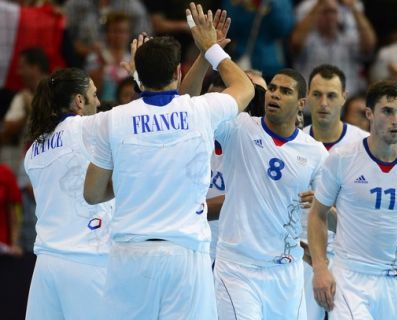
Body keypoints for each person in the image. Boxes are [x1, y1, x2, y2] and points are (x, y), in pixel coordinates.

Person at [83, 3, 254, 319]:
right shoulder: (201, 112)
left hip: (129, 255)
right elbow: (244, 87)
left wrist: (135, 179)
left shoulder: (112, 120)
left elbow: (93, 194)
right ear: (178, 72)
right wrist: (211, 49)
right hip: (185, 256)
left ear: (137, 74)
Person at [308, 80, 397, 319]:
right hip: (350, 277)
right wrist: (320, 267)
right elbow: (317, 215)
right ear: (369, 113)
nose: (396, 120)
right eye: (387, 111)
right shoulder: (342, 158)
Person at [206, 67, 327, 319]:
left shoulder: (315, 152)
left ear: (301, 103)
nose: (275, 95)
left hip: (286, 272)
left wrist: (322, 204)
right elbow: (190, 111)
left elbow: (339, 216)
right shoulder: (238, 128)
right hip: (238, 269)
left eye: (285, 91)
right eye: (272, 88)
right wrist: (210, 52)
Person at [23, 67, 113, 319]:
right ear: (79, 101)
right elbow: (136, 120)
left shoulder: (34, 150)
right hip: (87, 261)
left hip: (46, 266)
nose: (99, 101)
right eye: (94, 95)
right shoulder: (86, 127)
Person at [301, 64, 369, 319]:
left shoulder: (364, 146)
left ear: (344, 97)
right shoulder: (296, 143)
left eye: (331, 95)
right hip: (306, 256)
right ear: (306, 97)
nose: (323, 103)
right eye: (317, 95)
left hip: (351, 258)